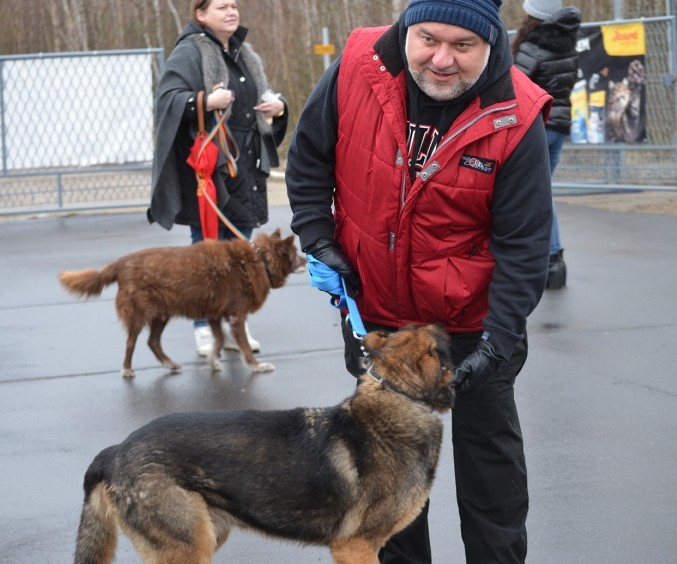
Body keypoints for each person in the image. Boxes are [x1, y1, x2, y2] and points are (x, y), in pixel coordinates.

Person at [286, 0, 553, 562]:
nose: (441, 59)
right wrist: (317, 237)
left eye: (464, 46)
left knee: (490, 472)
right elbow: (309, 157)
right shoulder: (357, 64)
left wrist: (498, 345)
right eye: (428, 38)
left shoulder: (517, 113)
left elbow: (524, 245)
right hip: (376, 311)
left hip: (474, 325)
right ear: (407, 27)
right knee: (387, 474)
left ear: (492, 44)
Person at [147, 0, 288, 356]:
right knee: (208, 253)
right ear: (200, 14)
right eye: (222, 6)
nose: (232, 11)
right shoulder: (189, 53)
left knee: (241, 253)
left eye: (235, 5)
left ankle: (234, 323)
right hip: (211, 169)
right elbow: (167, 99)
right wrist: (205, 101)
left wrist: (279, 108)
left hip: (247, 170)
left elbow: (257, 104)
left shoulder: (245, 54)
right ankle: (204, 330)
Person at [512, 0, 581, 290]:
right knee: (543, 193)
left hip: (536, 128)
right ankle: (554, 261)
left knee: (528, 195)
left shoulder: (532, 46)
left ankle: (545, 260)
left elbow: (514, 88)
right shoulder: (567, 42)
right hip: (559, 126)